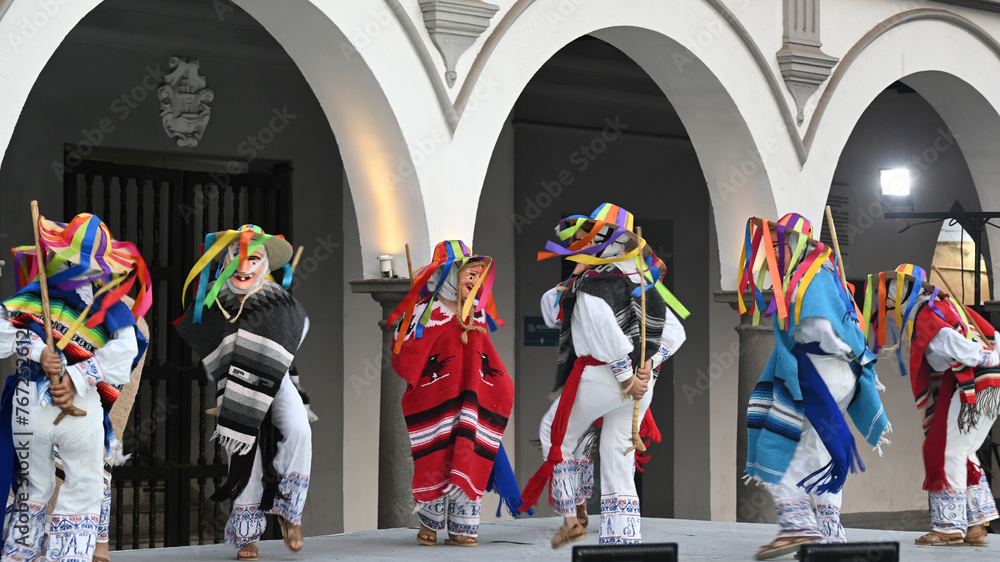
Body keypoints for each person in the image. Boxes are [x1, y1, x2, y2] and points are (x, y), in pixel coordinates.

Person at [520, 203, 689, 547]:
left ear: (610, 240)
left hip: (604, 378)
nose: (583, 241)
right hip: (642, 384)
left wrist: (626, 375)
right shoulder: (641, 278)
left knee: (554, 435)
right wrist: (649, 367)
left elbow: (599, 332)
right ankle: (622, 534)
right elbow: (676, 332)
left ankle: (571, 518)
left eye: (592, 235)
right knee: (617, 452)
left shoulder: (592, 283)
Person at [738, 213, 890, 560]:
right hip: (832, 375)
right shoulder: (821, 275)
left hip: (820, 373)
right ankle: (829, 534)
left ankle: (798, 525)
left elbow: (823, 326)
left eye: (780, 245)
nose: (775, 252)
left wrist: (835, 347)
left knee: (782, 442)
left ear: (797, 244)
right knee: (815, 451)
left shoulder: (812, 277)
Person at [0, 212, 149, 561]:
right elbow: (128, 349)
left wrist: (53, 363)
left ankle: (19, 556)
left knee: (32, 489)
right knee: (82, 488)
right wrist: (78, 373)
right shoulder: (107, 303)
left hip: (30, 407)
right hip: (80, 410)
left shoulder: (36, 292)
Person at [176, 225, 310, 561]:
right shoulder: (214, 301)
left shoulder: (280, 300)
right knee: (243, 451)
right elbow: (208, 345)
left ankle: (288, 509)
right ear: (225, 259)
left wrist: (271, 358)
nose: (244, 265)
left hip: (276, 380)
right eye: (237, 256)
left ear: (264, 263)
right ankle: (246, 534)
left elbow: (299, 331)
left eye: (253, 257)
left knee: (298, 429)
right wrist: (223, 381)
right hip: (234, 386)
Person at [387, 240, 521, 547]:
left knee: (468, 453)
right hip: (434, 400)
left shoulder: (477, 314)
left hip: (472, 400)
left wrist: (498, 387)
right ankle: (430, 523)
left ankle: (464, 527)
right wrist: (408, 339)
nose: (473, 282)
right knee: (435, 456)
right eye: (467, 275)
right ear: (447, 276)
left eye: (476, 276)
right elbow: (402, 353)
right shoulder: (423, 314)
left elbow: (485, 357)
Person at [865, 264, 999, 546]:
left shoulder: (930, 317)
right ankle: (975, 523)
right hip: (984, 385)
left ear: (908, 291)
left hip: (978, 385)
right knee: (963, 450)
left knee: (947, 450)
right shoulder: (937, 309)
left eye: (894, 288)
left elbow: (967, 351)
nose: (888, 295)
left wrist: (989, 358)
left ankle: (950, 526)